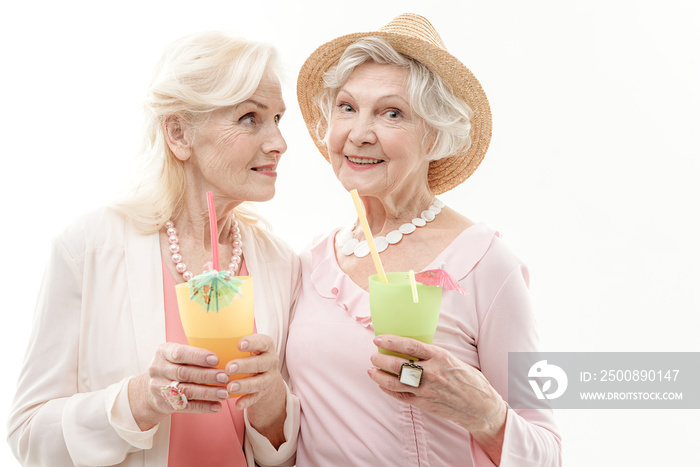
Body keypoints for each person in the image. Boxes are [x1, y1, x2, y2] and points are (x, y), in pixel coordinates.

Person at [7, 32, 299, 467]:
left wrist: (273, 404)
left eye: (277, 117)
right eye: (250, 118)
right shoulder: (89, 247)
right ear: (179, 132)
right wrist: (141, 398)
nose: (279, 142)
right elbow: (27, 436)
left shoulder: (280, 263)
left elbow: (282, 456)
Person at [287, 13, 561, 466]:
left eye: (392, 112)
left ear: (432, 134)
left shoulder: (486, 263)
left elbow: (546, 454)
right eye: (347, 107)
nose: (359, 133)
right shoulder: (307, 264)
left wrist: (486, 413)